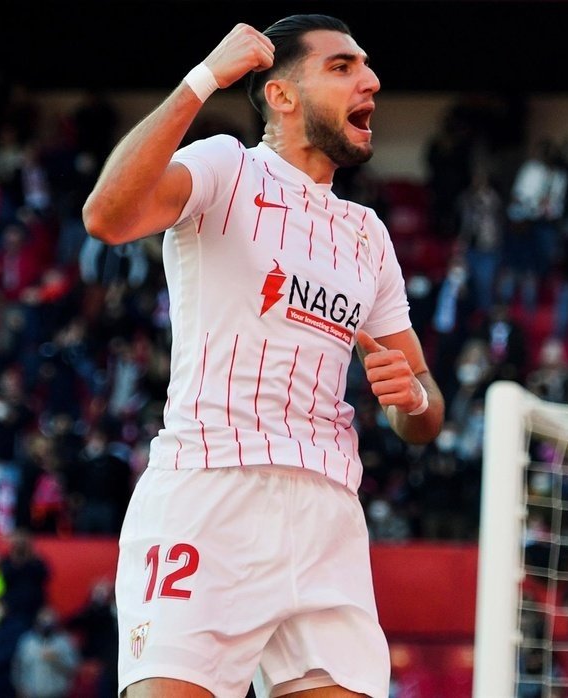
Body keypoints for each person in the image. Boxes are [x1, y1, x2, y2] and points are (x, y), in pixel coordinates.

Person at [82, 14, 444, 698]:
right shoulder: (228, 166)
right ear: (281, 95)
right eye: (341, 66)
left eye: (365, 66)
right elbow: (108, 216)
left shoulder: (366, 235)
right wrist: (203, 79)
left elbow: (424, 409)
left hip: (327, 511)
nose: (369, 79)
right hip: (213, 490)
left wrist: (413, 399)